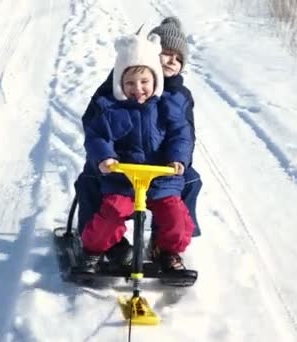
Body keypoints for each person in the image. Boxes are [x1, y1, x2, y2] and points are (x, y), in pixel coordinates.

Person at [74, 17, 202, 265]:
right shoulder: (113, 98)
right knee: (99, 194)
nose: (138, 88)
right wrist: (104, 157)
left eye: (177, 58)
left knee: (180, 204)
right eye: (166, 54)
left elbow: (182, 133)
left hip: (159, 174)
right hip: (122, 175)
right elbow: (97, 129)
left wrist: (178, 159)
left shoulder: (170, 100)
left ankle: (166, 248)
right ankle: (97, 245)